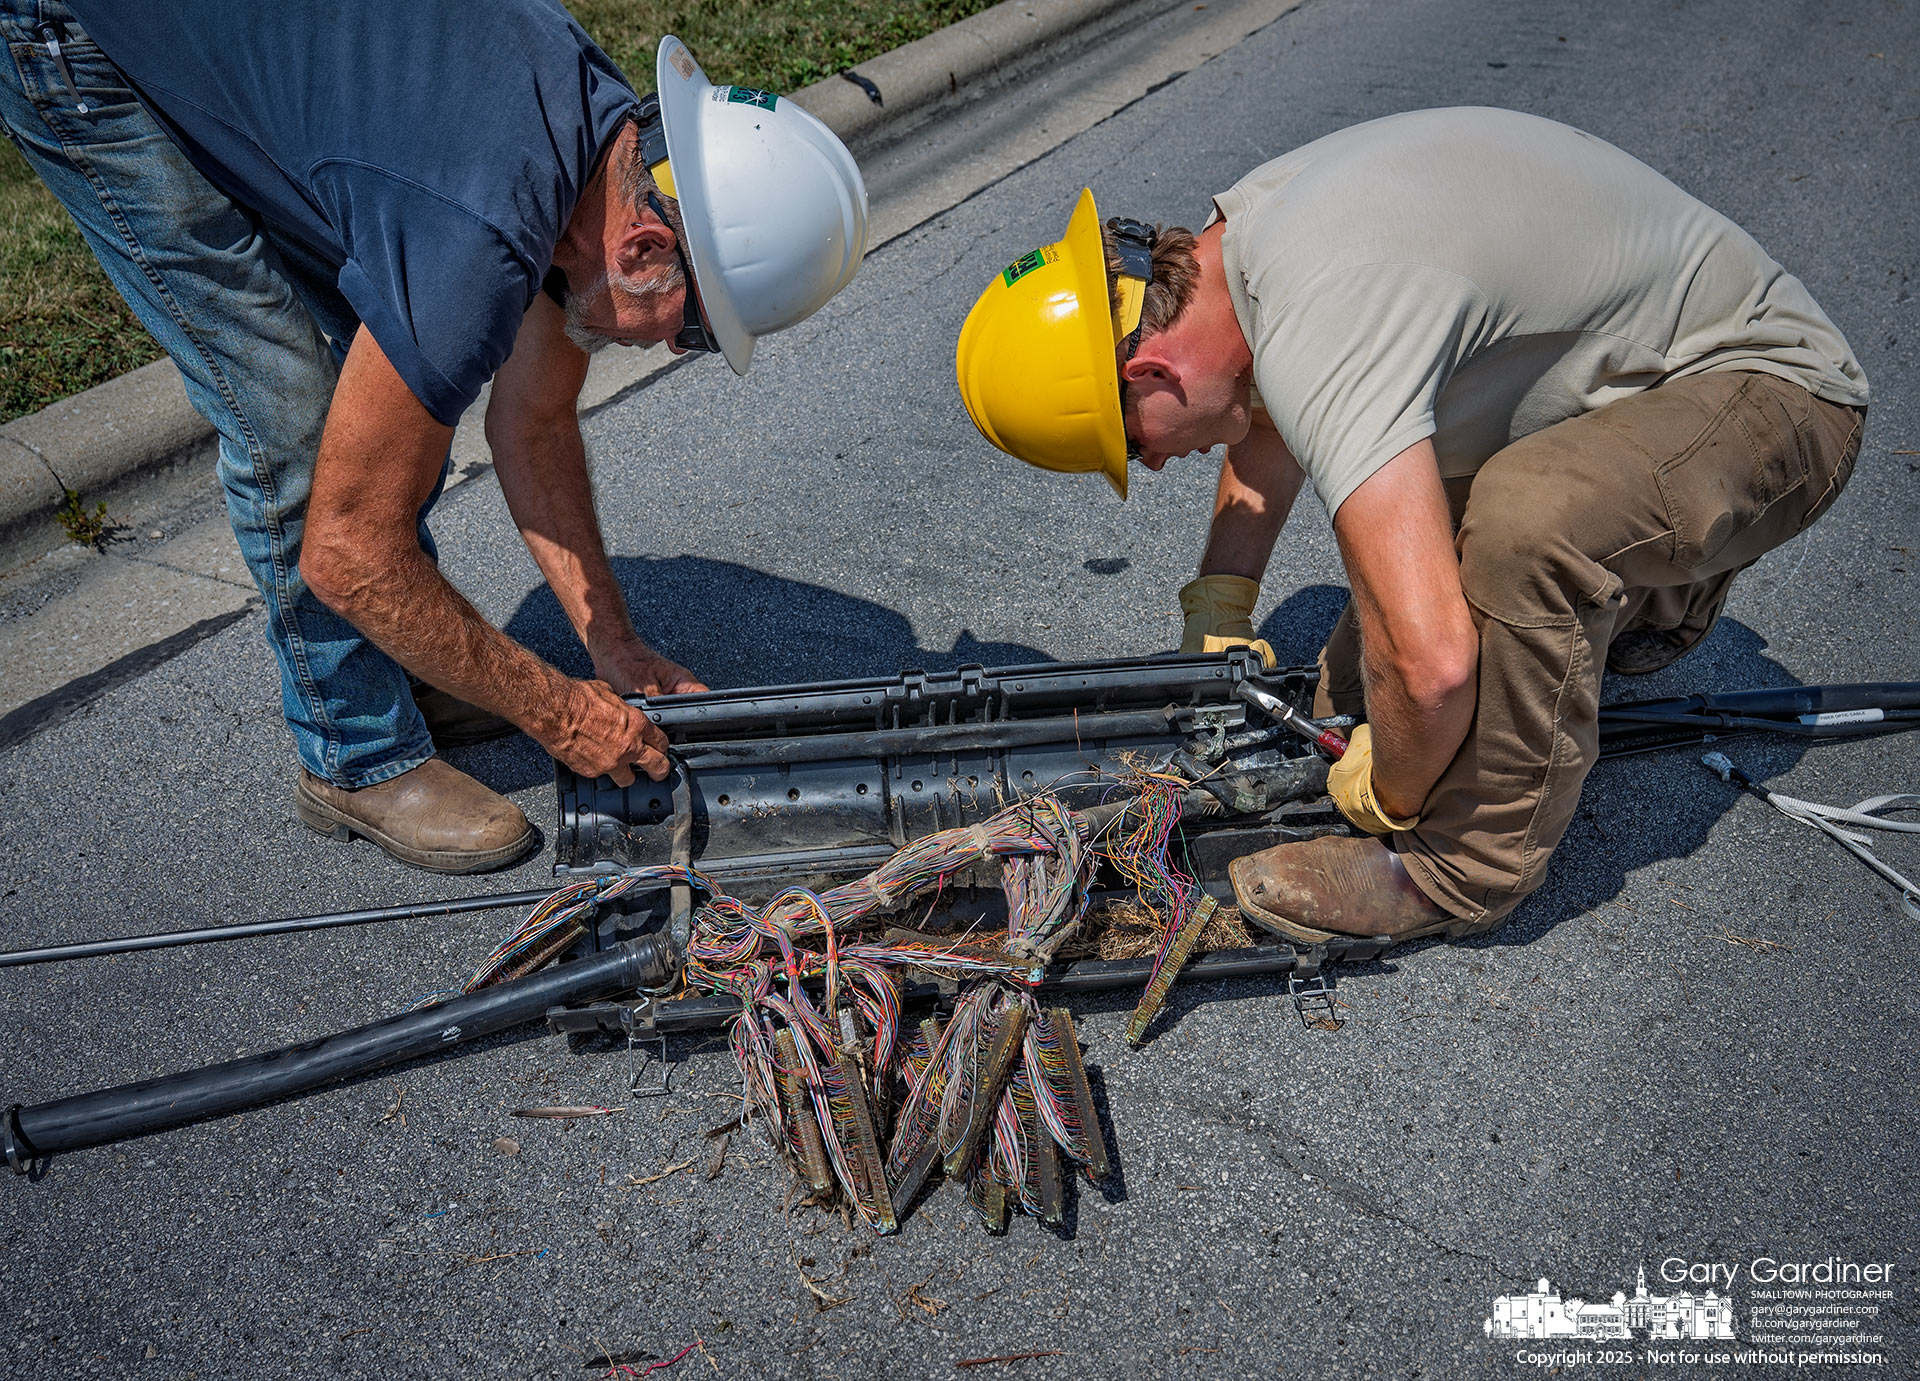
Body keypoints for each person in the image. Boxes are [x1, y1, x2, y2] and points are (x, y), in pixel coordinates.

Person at [955, 107, 1867, 943]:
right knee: (1347, 694)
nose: (1151, 465)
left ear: (1150, 372)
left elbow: (1432, 671)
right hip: (1634, 385)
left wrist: (1394, 793)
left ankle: (1464, 869)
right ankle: (1651, 585)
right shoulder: (1240, 253)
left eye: (1133, 448)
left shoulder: (1326, 312)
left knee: (1519, 537)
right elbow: (1262, 404)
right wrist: (1222, 600)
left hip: (1773, 396)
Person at [0, 1, 866, 873]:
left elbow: (534, 421)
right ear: (642, 251)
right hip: (81, 40)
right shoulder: (481, 235)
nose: (671, 349)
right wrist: (557, 712)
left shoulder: (604, 141)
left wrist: (614, 646)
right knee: (304, 426)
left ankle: (409, 658)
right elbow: (346, 549)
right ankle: (357, 753)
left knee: (402, 395)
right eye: (693, 333)